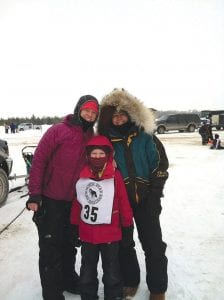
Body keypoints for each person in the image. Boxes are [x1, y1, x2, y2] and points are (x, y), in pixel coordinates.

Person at [97, 88, 169, 300]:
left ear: (132, 114)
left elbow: (160, 166)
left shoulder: (146, 137)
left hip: (147, 199)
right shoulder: (105, 141)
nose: (118, 119)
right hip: (120, 202)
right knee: (124, 244)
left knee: (154, 245)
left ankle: (158, 288)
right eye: (114, 115)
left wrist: (155, 194)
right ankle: (130, 280)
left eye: (123, 114)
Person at [26, 95, 99, 300]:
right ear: (78, 109)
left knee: (69, 244)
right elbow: (39, 161)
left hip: (75, 201)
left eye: (94, 112)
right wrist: (35, 194)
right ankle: (52, 292)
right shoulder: (58, 130)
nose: (90, 115)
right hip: (51, 198)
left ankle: (69, 279)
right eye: (87, 110)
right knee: (51, 248)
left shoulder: (90, 137)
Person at [70, 135, 134, 300]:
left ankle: (113, 296)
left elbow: (123, 201)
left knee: (112, 270)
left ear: (107, 155)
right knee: (87, 270)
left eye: (101, 153)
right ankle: (88, 296)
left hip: (110, 233)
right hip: (87, 234)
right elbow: (78, 202)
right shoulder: (82, 175)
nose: (97, 157)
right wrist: (74, 225)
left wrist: (127, 225)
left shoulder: (115, 175)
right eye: (94, 154)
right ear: (88, 155)